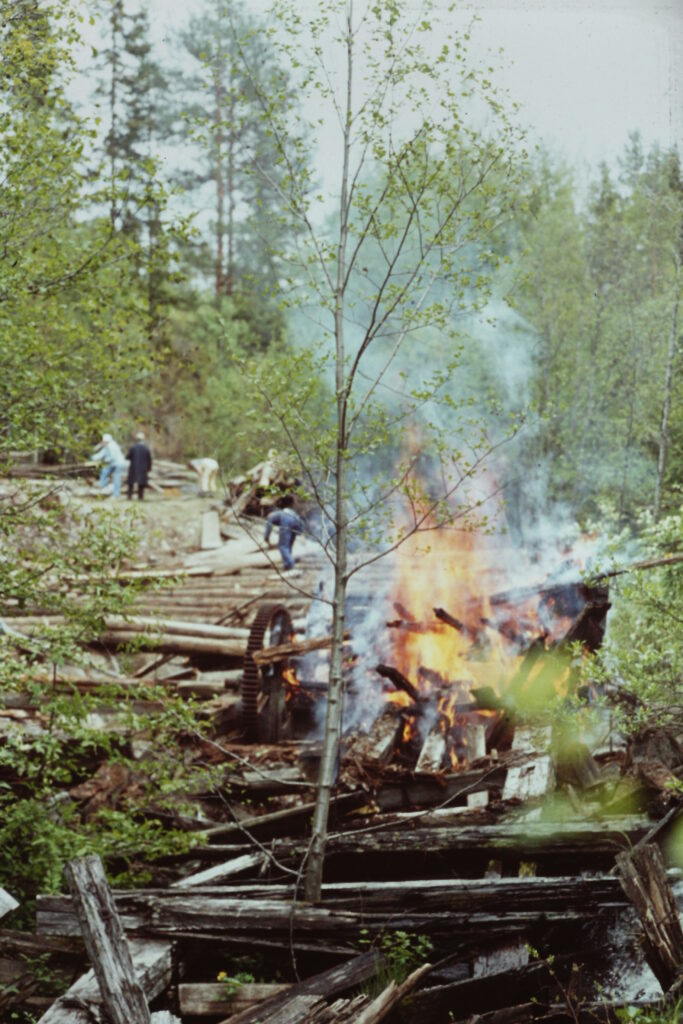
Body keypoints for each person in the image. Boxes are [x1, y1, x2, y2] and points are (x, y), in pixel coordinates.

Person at [264, 496, 305, 570]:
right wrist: (301, 533)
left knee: (283, 546)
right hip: (295, 520)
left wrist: (266, 539)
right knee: (288, 545)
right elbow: (299, 521)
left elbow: (268, 527)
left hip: (286, 521)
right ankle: (287, 564)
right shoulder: (288, 512)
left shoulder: (272, 515)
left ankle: (290, 564)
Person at [91, 433, 127, 498]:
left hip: (118, 464)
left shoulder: (112, 446)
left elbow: (112, 457)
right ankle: (102, 487)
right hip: (112, 463)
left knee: (116, 477)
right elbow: (101, 454)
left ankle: (116, 494)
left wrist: (104, 461)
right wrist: (92, 457)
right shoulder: (107, 446)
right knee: (104, 472)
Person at [127, 432, 152, 500]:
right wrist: (149, 468)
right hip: (143, 468)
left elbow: (128, 457)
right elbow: (149, 459)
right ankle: (140, 497)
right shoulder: (146, 449)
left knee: (131, 483)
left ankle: (129, 496)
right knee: (141, 483)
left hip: (134, 467)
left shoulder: (133, 447)